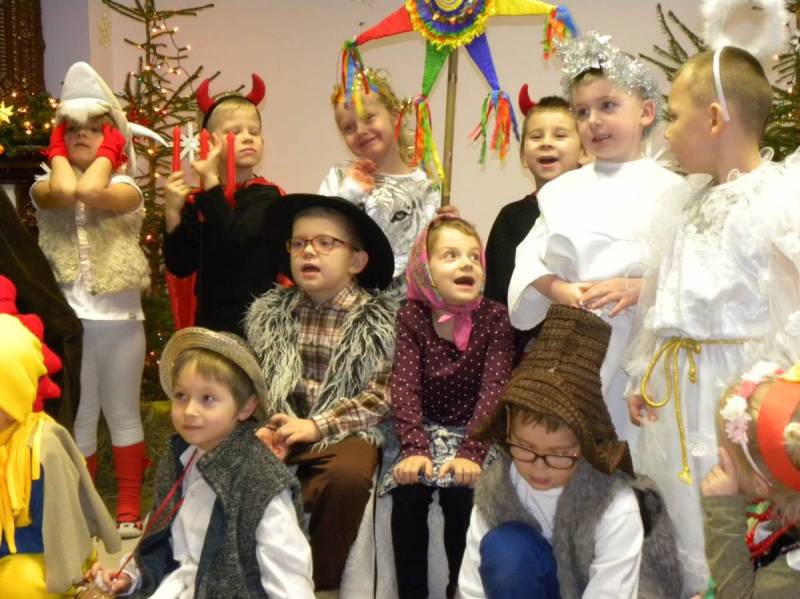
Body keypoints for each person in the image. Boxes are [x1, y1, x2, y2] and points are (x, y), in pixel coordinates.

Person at [625, 46, 800, 594]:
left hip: (736, 393)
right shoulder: (685, 200)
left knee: (730, 514)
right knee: (680, 513)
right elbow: (663, 298)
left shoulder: (778, 198)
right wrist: (643, 370)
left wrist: (769, 395)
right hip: (677, 389)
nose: (667, 132)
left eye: (674, 116)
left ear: (715, 117)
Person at [508, 32, 682, 444]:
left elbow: (687, 269)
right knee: (577, 444)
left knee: (639, 446)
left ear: (646, 112)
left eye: (608, 106)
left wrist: (642, 288)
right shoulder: (561, 191)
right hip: (577, 344)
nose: (594, 121)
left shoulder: (674, 190)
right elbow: (530, 258)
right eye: (582, 112)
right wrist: (559, 289)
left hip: (645, 345)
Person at [458, 304, 681, 599]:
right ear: (508, 432)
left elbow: (611, 592)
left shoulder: (613, 502)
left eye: (558, 454)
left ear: (585, 445)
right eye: (525, 448)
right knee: (506, 550)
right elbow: (473, 585)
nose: (539, 467)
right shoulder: (498, 488)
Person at [86, 326, 314, 598]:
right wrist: (130, 576)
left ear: (246, 407)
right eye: (181, 396)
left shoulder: (261, 479)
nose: (190, 410)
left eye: (208, 399)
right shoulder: (179, 457)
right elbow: (160, 537)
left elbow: (289, 578)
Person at [244, 194, 398, 598]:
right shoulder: (271, 315)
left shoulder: (379, 321)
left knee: (347, 476)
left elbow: (381, 396)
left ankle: (320, 583)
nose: (308, 251)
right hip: (281, 425)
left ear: (356, 261)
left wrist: (317, 426)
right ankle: (244, 572)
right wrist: (266, 423)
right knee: (236, 462)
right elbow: (253, 381)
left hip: (343, 430)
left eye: (325, 243)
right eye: (298, 243)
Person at [30, 61, 154, 537]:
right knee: (80, 414)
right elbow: (67, 189)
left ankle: (127, 509)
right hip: (69, 322)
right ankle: (86, 512)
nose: (82, 135)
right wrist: (59, 153)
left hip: (120, 318)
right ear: (58, 140)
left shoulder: (125, 186)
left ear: (113, 139)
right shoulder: (45, 185)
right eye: (71, 129)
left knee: (121, 411)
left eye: (94, 128)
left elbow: (89, 189)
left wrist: (107, 152)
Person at [383, 216, 514, 599]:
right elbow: (404, 386)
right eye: (451, 256)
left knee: (463, 496)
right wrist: (414, 448)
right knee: (408, 497)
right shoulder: (411, 316)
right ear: (425, 270)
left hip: (477, 434)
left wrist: (472, 452)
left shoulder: (495, 318)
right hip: (423, 430)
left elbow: (494, 390)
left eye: (474, 257)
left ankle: (461, 589)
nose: (466, 264)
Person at [0, 310, 119, 599]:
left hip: (32, 554)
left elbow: (59, 525)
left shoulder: (43, 446)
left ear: (13, 394)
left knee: (19, 586)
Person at [162, 73, 285, 335]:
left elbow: (236, 242)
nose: (248, 138)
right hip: (210, 324)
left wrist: (209, 181)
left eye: (254, 132)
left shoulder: (266, 196)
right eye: (234, 132)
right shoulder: (200, 200)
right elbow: (180, 265)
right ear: (209, 142)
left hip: (254, 327)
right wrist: (172, 212)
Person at [483, 91, 586, 361]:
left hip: (587, 350)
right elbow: (496, 300)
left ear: (584, 151)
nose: (546, 143)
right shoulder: (511, 218)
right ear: (522, 157)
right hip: (525, 358)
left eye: (560, 135)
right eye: (536, 136)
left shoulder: (595, 212)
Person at [320, 67, 440, 297]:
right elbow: (321, 234)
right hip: (346, 306)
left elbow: (431, 259)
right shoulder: (339, 177)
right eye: (348, 128)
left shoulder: (426, 188)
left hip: (404, 309)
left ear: (394, 115)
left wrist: (448, 229)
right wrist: (349, 194)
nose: (360, 130)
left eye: (369, 118)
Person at [700, 360, 800, 598]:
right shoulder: (779, 502)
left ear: (759, 483)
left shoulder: (793, 571)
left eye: (726, 452)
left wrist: (723, 509)